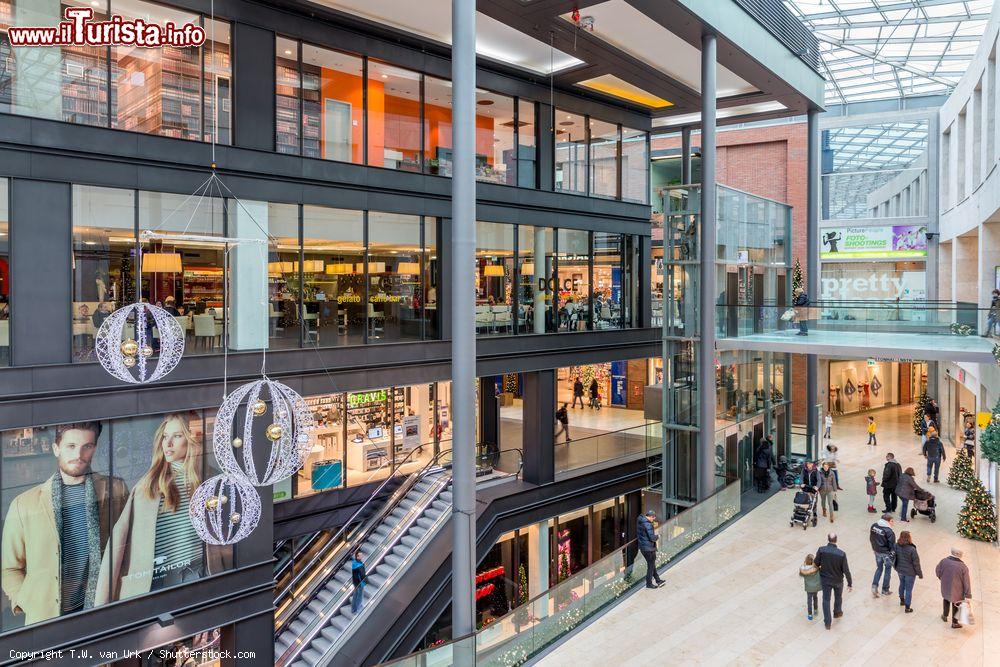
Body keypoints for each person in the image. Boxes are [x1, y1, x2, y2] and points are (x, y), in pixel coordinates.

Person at [0, 422, 127, 625]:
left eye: (87, 446)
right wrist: (26, 601)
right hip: (45, 617)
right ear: (56, 448)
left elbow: (125, 548)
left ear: (94, 448)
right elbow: (9, 568)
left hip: (99, 609)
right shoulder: (24, 504)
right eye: (71, 446)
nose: (79, 454)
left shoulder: (115, 490)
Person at [97, 414, 227, 603]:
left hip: (199, 575)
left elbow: (225, 536)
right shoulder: (148, 486)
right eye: (165, 437)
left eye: (177, 436)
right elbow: (117, 543)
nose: (168, 443)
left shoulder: (211, 482)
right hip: (156, 582)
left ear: (192, 439)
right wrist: (102, 604)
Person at [813, 533, 852, 629]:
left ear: (828, 539)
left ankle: (827, 623)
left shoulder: (821, 550)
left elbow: (816, 563)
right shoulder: (841, 554)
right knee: (838, 596)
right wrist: (849, 583)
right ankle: (837, 612)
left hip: (825, 579)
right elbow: (846, 570)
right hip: (838, 580)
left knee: (826, 600)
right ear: (836, 540)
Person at [935, 547, 972, 628]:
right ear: (960, 555)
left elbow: (937, 570)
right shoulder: (963, 567)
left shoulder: (943, 561)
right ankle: (955, 623)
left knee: (946, 599)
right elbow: (966, 582)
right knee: (956, 604)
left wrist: (941, 578)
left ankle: (944, 616)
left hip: (945, 587)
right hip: (957, 590)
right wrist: (968, 594)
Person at [894, 531, 922, 613]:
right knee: (909, 589)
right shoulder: (912, 549)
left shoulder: (896, 545)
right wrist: (919, 573)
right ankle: (907, 607)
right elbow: (916, 563)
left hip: (899, 570)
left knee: (901, 584)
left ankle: (902, 600)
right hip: (910, 572)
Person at [869, 512, 896, 598]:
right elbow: (892, 545)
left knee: (879, 568)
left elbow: (871, 538)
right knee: (887, 571)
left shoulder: (873, 526)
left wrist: (874, 548)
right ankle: (885, 590)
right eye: (892, 521)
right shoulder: (889, 532)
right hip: (886, 554)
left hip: (877, 551)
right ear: (887, 521)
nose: (893, 523)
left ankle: (874, 586)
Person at [637, 510, 664, 589]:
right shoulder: (648, 524)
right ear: (650, 516)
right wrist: (658, 536)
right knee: (651, 566)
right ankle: (649, 583)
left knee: (651, 565)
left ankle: (658, 580)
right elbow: (652, 538)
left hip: (644, 547)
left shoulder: (640, 520)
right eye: (653, 517)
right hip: (648, 548)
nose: (654, 519)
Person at [799, 553, 821, 621]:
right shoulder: (816, 568)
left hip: (809, 587)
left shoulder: (804, 569)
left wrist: (804, 565)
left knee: (809, 600)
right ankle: (815, 610)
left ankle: (810, 614)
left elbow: (801, 575)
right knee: (815, 597)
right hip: (816, 586)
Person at [350, 550, 367, 614]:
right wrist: (365, 581)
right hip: (360, 583)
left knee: (355, 596)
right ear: (357, 556)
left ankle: (353, 609)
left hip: (355, 582)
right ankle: (357, 609)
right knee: (359, 596)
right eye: (361, 555)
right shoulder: (359, 565)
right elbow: (362, 575)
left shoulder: (354, 562)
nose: (362, 556)